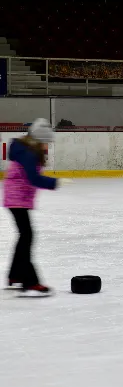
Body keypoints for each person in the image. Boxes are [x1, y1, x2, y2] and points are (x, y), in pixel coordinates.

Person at [3, 119, 61, 297]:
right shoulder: (28, 153)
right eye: (45, 142)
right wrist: (54, 182)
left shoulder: (25, 149)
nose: (47, 146)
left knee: (24, 236)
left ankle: (14, 276)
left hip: (16, 197)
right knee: (27, 236)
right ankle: (30, 281)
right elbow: (33, 179)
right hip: (17, 198)